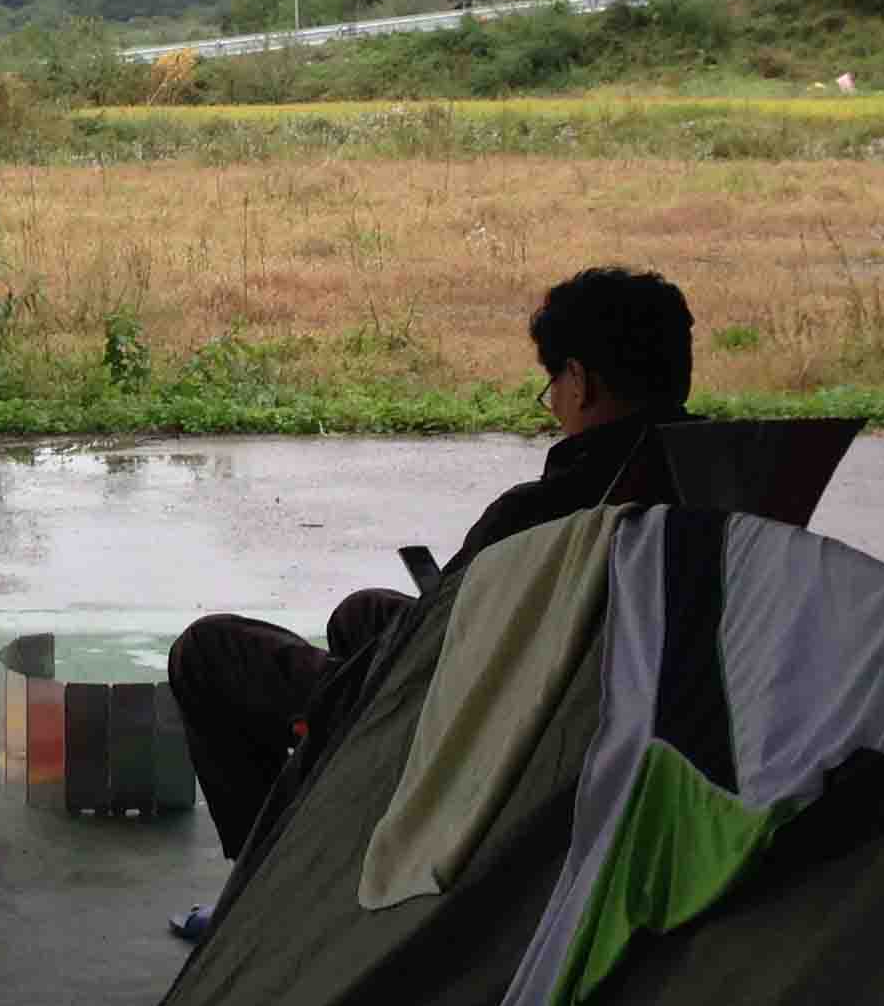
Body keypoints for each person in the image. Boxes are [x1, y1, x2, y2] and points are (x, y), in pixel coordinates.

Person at [165, 268, 697, 924]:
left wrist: (349, 687)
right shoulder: (717, 482)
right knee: (363, 611)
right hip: (608, 706)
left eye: (553, 384)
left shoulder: (541, 514)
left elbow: (419, 661)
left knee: (209, 650)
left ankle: (261, 900)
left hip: (473, 727)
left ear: (580, 381)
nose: (554, 404)